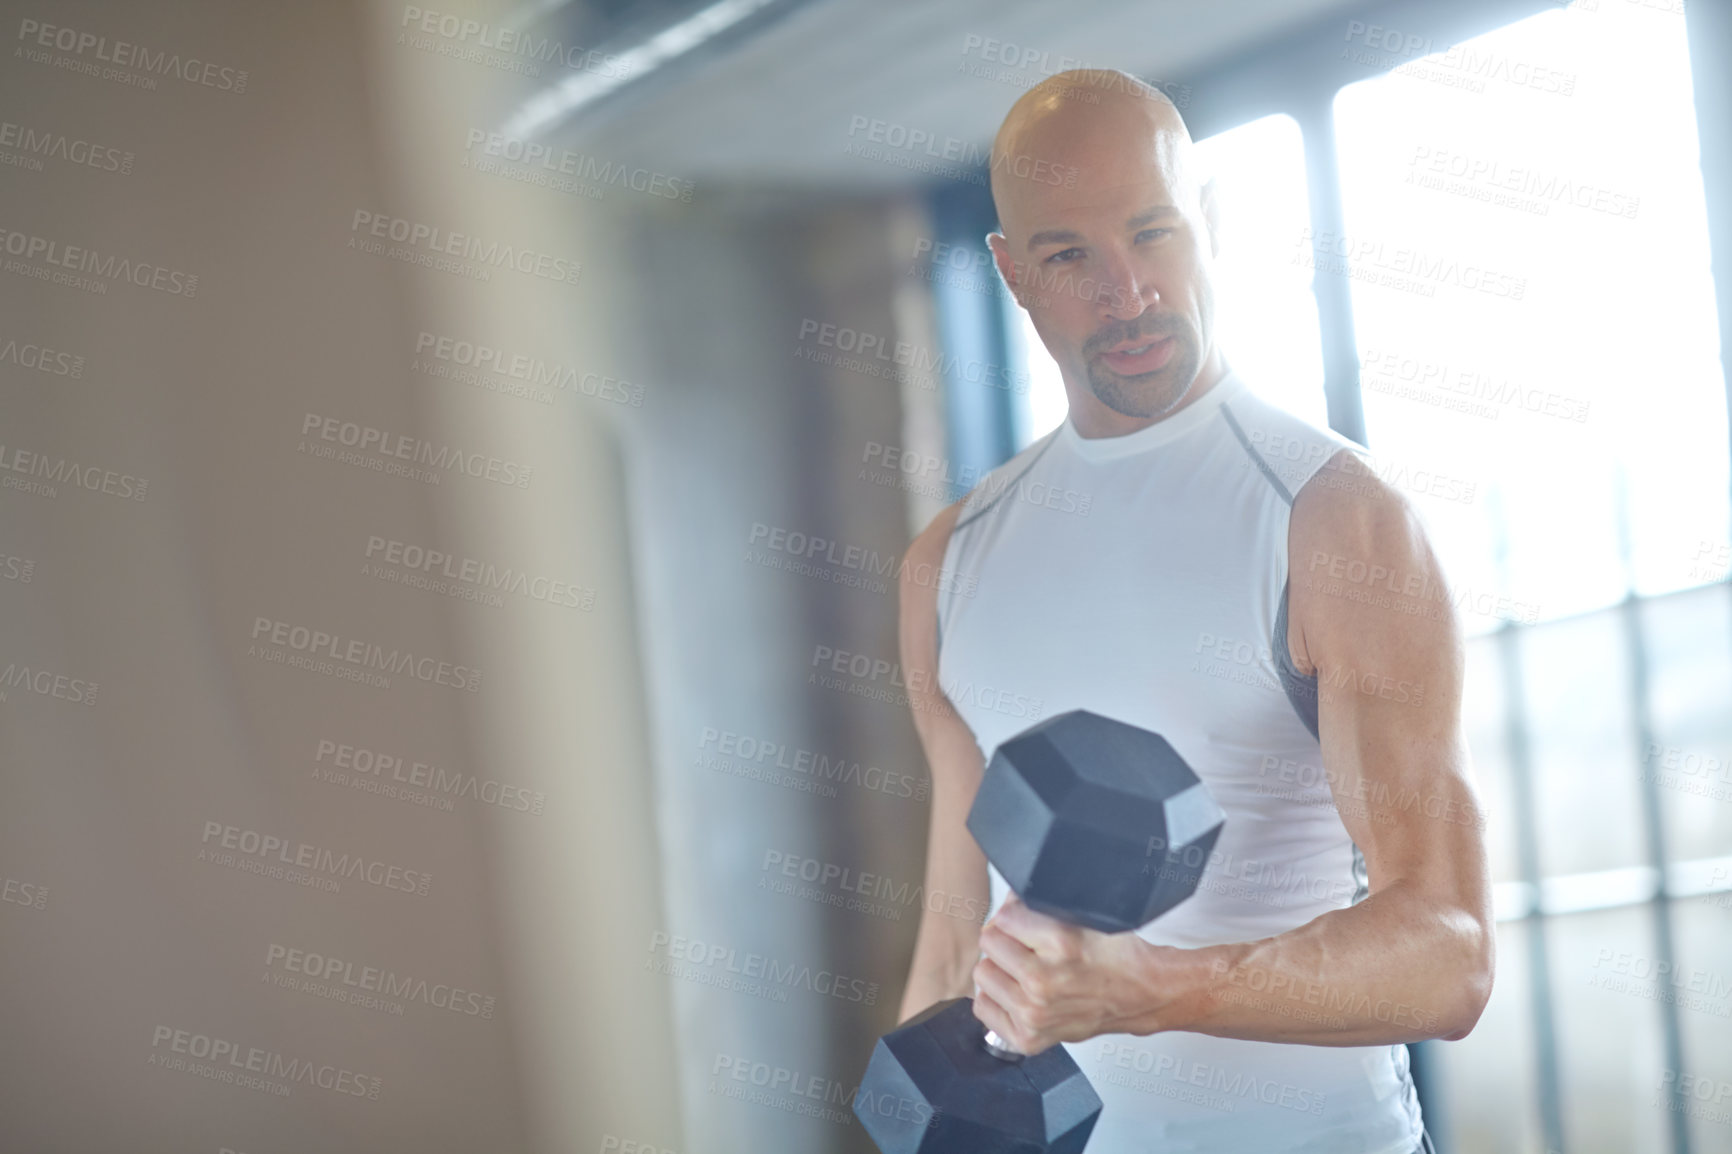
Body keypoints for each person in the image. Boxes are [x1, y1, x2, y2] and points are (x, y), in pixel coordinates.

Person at [893, 68, 1493, 1153]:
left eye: (1152, 231)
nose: (1124, 291)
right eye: (1069, 254)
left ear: (1208, 222)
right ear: (1012, 273)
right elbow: (951, 953)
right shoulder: (948, 562)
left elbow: (1447, 953)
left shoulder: (1334, 522)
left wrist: (1150, 985)